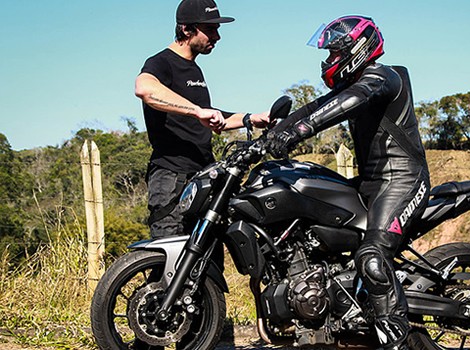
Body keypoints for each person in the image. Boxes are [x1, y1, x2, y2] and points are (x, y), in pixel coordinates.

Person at [264, 16, 430, 350]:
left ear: (358, 48)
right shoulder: (353, 83)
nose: (329, 61)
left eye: (335, 53)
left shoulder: (383, 77)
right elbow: (316, 107)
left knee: (371, 257)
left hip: (402, 180)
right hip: (371, 183)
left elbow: (346, 102)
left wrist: (298, 132)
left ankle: (395, 341)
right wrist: (268, 136)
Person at [135, 0, 270, 238]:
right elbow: (144, 89)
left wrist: (251, 118)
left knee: (207, 260)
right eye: (210, 29)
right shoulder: (161, 62)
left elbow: (210, 117)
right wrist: (197, 111)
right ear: (187, 29)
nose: (217, 37)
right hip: (172, 179)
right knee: (171, 260)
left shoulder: (195, 70)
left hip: (204, 177)